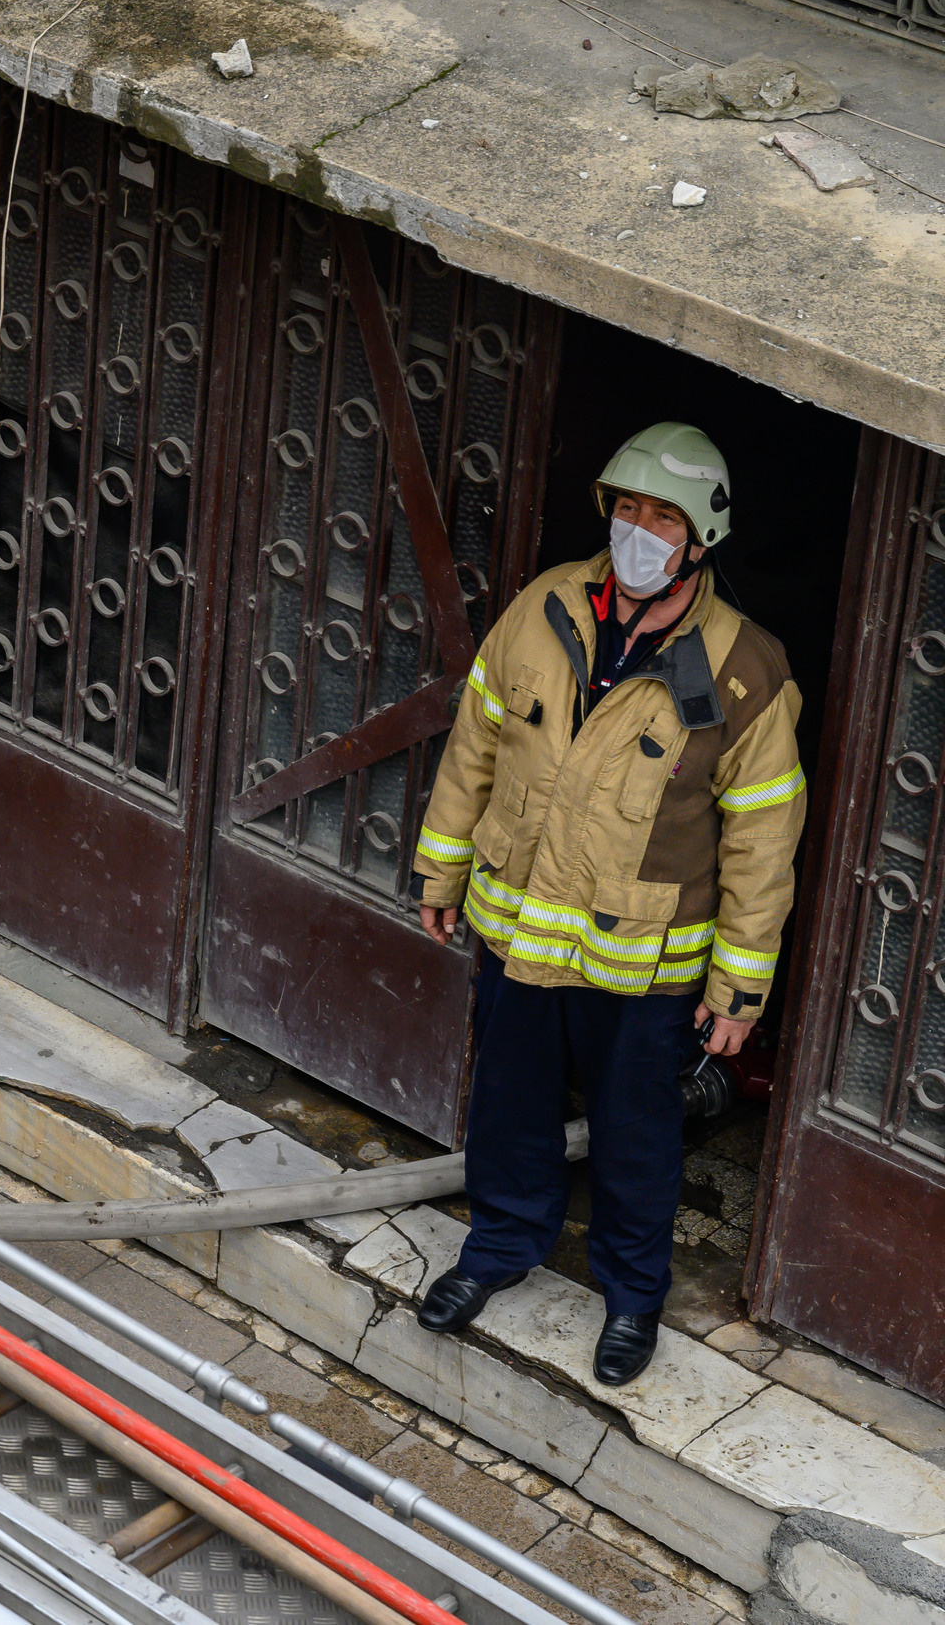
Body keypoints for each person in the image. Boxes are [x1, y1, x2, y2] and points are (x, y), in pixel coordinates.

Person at [409, 423, 806, 1387]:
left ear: (700, 537)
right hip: (518, 934)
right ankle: (498, 1249)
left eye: (661, 517)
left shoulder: (747, 669)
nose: (638, 530)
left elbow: (763, 839)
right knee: (508, 1109)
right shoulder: (542, 608)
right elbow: (475, 747)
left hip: (646, 969)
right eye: (627, 509)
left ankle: (632, 1300)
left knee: (636, 1140)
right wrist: (441, 870)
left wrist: (737, 989)